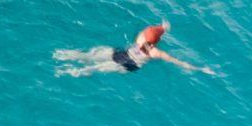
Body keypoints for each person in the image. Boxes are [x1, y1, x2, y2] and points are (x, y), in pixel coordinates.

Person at [56, 22, 212, 77]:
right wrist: (200, 69)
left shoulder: (141, 37)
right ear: (158, 41)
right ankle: (70, 71)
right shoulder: (156, 53)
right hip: (129, 64)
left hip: (122, 54)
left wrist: (162, 27)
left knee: (88, 56)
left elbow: (151, 31)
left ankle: (67, 56)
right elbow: (179, 63)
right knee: (94, 69)